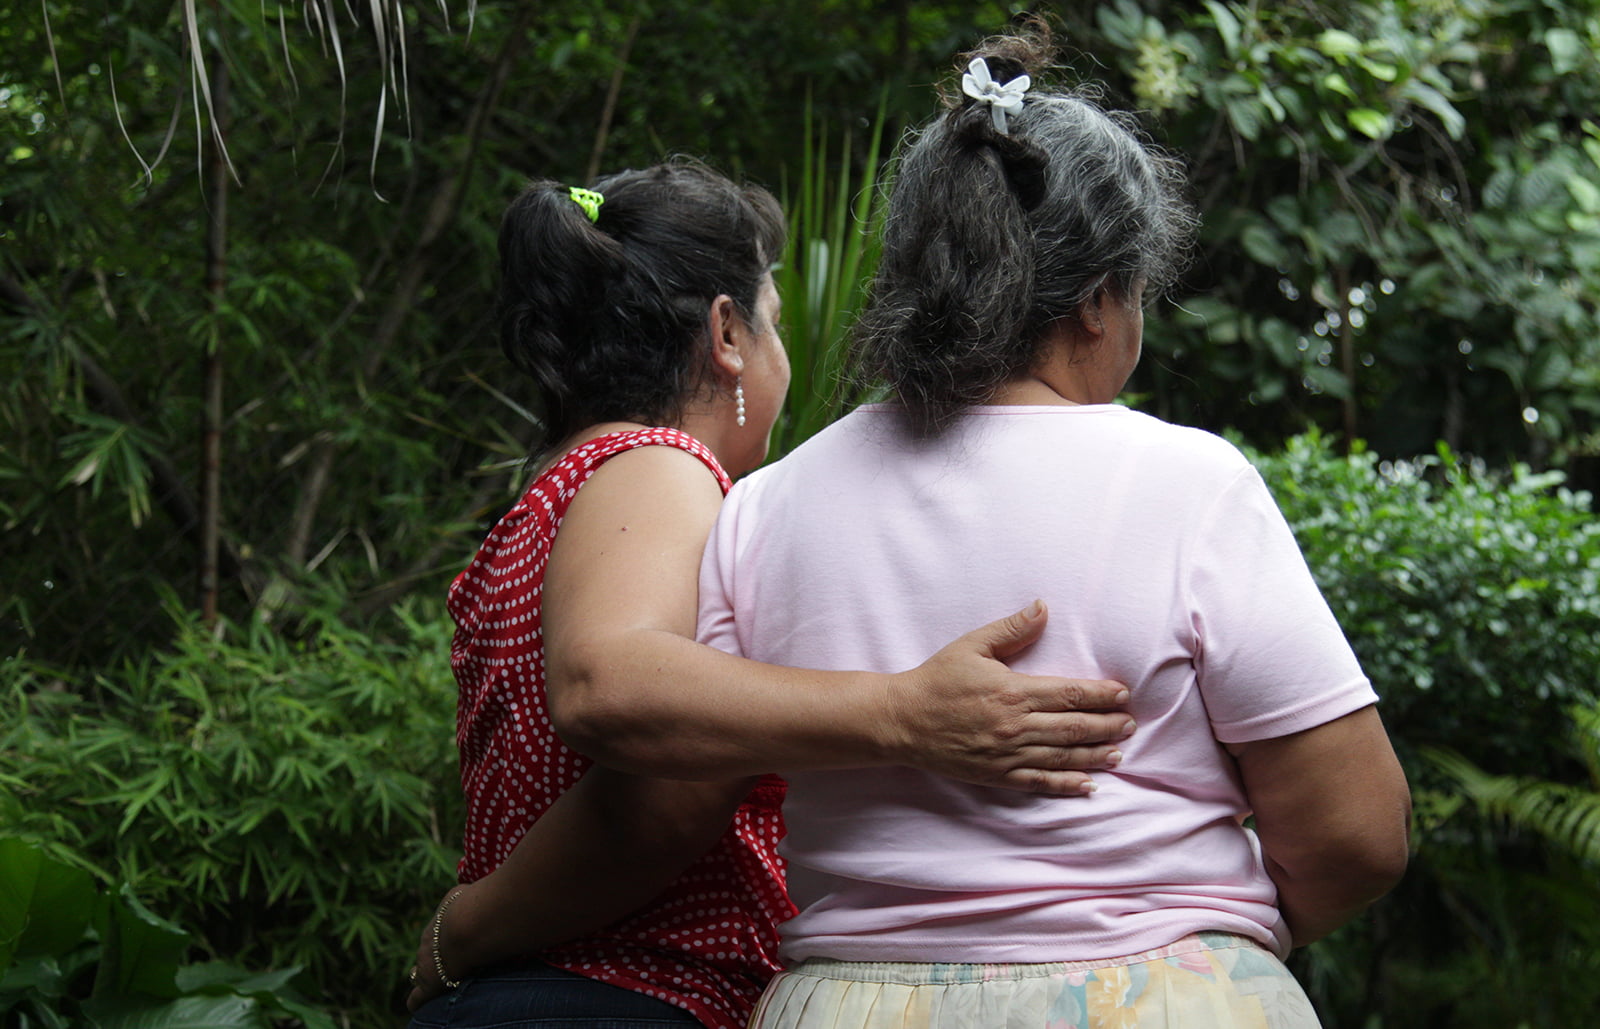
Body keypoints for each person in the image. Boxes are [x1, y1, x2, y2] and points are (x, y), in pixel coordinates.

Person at [695, 28, 1412, 1028]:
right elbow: (1357, 833)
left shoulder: (764, 507)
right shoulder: (1187, 485)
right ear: (1094, 301)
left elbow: (688, 791)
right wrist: (1208, 942)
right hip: (1162, 993)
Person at [405, 160, 1137, 1029]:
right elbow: (635, 733)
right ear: (726, 333)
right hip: (623, 996)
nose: (784, 353)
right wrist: (904, 711)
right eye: (775, 323)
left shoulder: (556, 498)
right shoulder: (658, 467)